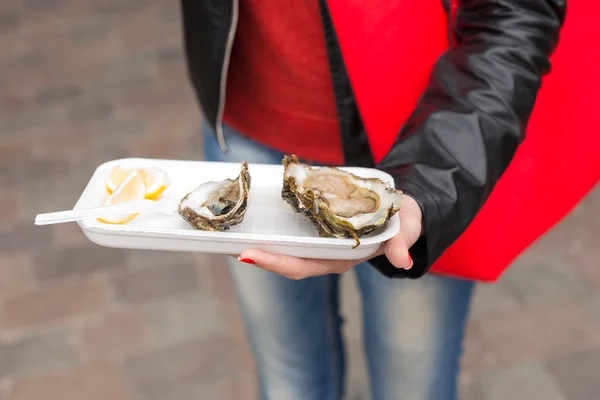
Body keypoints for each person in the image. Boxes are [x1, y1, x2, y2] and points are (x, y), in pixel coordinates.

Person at [180, 1, 599, 399]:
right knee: (289, 381)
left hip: (419, 149)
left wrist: (430, 182)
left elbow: (513, 18)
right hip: (246, 132)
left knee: (413, 387)